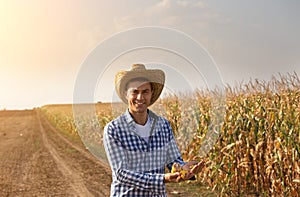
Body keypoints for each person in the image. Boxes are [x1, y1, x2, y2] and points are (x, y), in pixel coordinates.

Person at [103, 64, 204, 196]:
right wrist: (163, 178)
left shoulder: (163, 126)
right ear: (126, 94)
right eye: (135, 91)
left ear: (151, 94)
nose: (140, 97)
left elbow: (173, 160)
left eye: (145, 92)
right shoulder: (114, 129)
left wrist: (184, 168)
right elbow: (122, 174)